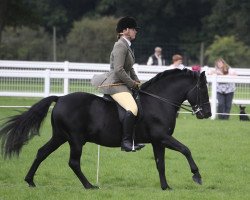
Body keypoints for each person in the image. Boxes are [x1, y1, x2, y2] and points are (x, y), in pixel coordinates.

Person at [91, 16, 145, 152]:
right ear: (125, 30)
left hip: (122, 83)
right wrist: (133, 84)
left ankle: (133, 138)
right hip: (115, 84)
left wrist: (137, 80)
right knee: (132, 108)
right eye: (133, 29)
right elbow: (119, 69)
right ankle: (126, 142)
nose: (135, 32)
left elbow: (130, 68)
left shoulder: (127, 46)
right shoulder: (120, 45)